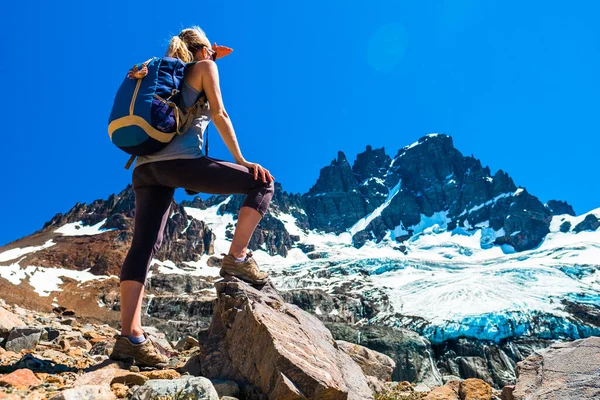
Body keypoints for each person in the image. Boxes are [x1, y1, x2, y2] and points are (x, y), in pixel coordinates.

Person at [109, 26, 275, 367]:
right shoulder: (203, 68)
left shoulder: (158, 74)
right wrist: (242, 161)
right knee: (261, 183)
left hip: (144, 171)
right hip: (180, 165)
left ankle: (130, 337)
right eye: (211, 53)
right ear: (203, 51)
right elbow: (219, 114)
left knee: (143, 246)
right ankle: (237, 259)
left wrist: (209, 54)